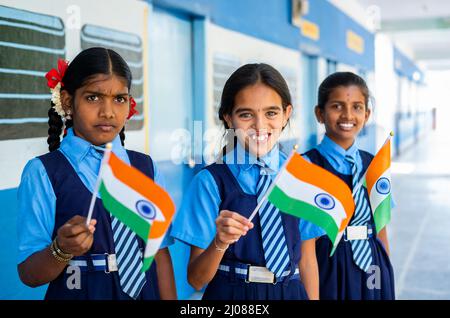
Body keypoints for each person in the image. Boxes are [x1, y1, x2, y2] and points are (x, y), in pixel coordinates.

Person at [17, 47, 176, 300]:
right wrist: (61, 250)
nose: (108, 112)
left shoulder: (146, 168)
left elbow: (160, 255)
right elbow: (28, 274)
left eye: (119, 99)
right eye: (93, 98)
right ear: (68, 101)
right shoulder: (43, 172)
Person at [170, 63, 323, 300]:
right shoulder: (210, 182)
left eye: (271, 112)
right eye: (246, 114)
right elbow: (196, 279)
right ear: (228, 118)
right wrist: (220, 242)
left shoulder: (301, 176)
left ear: (286, 114)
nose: (260, 125)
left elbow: (308, 261)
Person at [303, 71, 395, 299]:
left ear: (367, 114)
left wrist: (386, 270)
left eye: (357, 107)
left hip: (373, 264)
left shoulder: (373, 163)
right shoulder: (306, 167)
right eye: (337, 106)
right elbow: (305, 246)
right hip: (329, 264)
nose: (348, 115)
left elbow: (380, 226)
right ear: (320, 113)